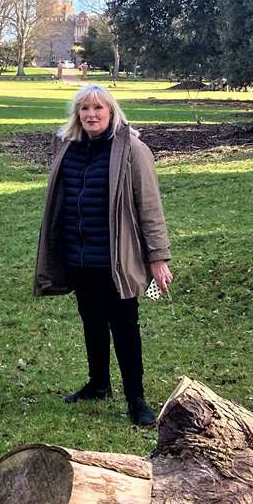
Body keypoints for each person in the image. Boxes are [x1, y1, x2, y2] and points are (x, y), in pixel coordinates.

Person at [34, 84, 172, 426]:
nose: (91, 115)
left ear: (111, 112)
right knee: (91, 321)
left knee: (125, 326)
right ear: (76, 114)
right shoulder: (67, 147)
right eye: (84, 109)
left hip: (116, 257)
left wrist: (157, 257)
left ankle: (136, 398)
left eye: (98, 108)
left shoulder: (132, 150)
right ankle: (98, 384)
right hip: (79, 253)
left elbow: (150, 207)